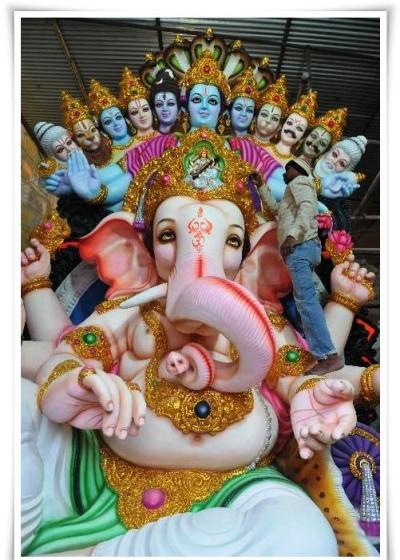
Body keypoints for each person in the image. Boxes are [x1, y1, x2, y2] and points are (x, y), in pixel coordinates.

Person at [266, 157, 344, 375]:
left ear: (297, 169)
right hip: (304, 247)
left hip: (300, 246)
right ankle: (324, 353)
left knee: (306, 302)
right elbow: (276, 209)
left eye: (288, 168)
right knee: (305, 301)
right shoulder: (292, 189)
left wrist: (292, 235)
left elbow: (308, 207)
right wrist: (261, 186)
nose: (285, 172)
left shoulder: (299, 182)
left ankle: (328, 356)